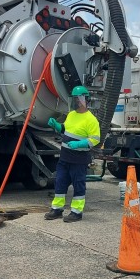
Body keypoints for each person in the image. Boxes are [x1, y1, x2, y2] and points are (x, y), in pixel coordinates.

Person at [45, 85, 100, 222]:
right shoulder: (71, 115)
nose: (76, 102)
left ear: (86, 99)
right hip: (64, 158)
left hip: (79, 159)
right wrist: (57, 126)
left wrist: (79, 144)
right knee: (60, 182)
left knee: (78, 185)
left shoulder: (91, 119)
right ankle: (57, 209)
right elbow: (65, 129)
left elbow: (95, 139)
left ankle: (76, 212)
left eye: (78, 99)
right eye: (74, 99)